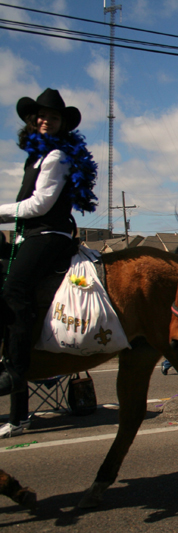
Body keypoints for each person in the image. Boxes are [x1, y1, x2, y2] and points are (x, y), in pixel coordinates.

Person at [0, 88, 98, 396]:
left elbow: (41, 205)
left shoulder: (56, 156)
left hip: (49, 234)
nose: (46, 121)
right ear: (33, 119)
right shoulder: (37, 157)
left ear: (62, 124)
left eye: (54, 117)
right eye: (42, 116)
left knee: (14, 289)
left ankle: (16, 370)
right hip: (30, 234)